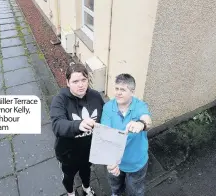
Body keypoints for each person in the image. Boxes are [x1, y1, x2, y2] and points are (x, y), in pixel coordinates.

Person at [50, 63, 104, 196]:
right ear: (67, 82)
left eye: (84, 80)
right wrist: (77, 125)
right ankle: (71, 193)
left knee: (86, 171)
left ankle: (86, 189)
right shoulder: (60, 100)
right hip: (68, 153)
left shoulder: (95, 96)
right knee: (69, 177)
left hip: (89, 150)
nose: (81, 85)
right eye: (75, 81)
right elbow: (57, 124)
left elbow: (106, 115)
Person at [101, 73, 152, 196]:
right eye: (117, 88)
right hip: (116, 161)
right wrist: (109, 161)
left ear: (132, 92)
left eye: (123, 90)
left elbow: (147, 120)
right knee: (115, 185)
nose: (118, 93)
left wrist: (141, 124)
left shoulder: (140, 106)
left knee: (136, 189)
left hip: (136, 162)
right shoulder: (108, 107)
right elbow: (104, 135)